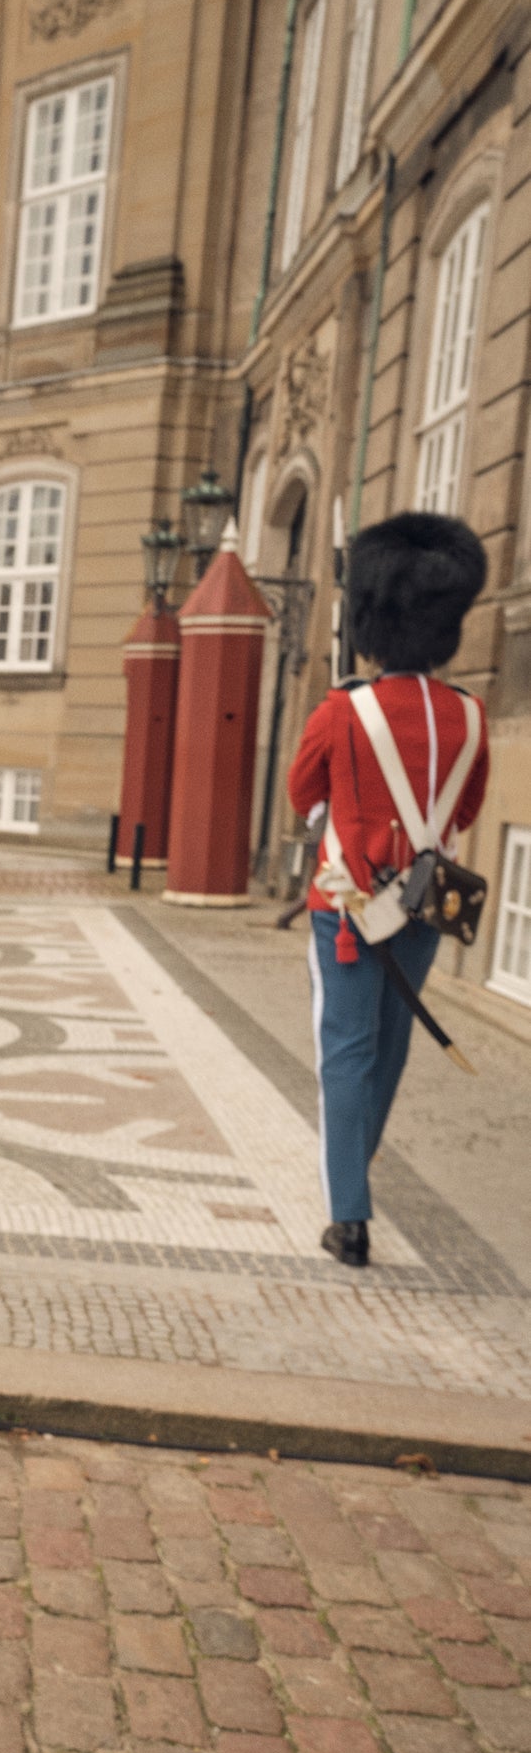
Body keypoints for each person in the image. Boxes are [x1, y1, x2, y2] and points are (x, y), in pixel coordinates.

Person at [290, 511, 489, 1267]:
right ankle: (355, 1177)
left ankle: (349, 1217)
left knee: (345, 1050)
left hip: (346, 904)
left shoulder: (344, 709)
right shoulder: (471, 715)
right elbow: (464, 811)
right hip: (423, 908)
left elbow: (298, 789)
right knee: (392, 1045)